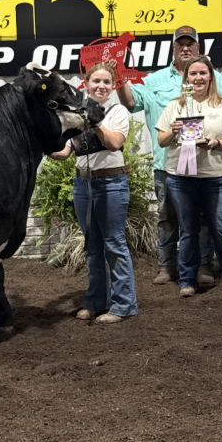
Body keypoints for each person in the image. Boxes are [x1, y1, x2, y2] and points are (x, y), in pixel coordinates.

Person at [118, 26, 222, 288]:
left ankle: (204, 266)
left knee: (204, 221)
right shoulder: (154, 80)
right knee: (167, 218)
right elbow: (130, 102)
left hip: (208, 168)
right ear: (173, 48)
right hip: (169, 166)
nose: (185, 48)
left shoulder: (217, 80)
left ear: (198, 48)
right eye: (180, 44)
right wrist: (118, 76)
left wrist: (217, 141)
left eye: (190, 44)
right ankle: (167, 266)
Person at [51, 61, 137, 324]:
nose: (101, 86)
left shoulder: (117, 111)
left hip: (111, 183)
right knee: (92, 246)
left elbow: (114, 143)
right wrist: (42, 141)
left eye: (106, 82)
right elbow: (64, 152)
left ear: (112, 86)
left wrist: (95, 120)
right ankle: (96, 301)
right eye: (96, 81)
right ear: (86, 84)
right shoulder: (75, 115)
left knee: (114, 244)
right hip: (83, 184)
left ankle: (124, 304)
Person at [155, 57, 222, 295]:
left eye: (203, 73)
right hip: (181, 177)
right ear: (186, 78)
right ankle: (187, 279)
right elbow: (161, 140)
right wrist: (173, 131)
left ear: (211, 76)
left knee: (221, 227)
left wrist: (216, 143)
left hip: (216, 177)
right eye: (193, 74)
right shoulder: (175, 106)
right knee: (188, 230)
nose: (198, 78)